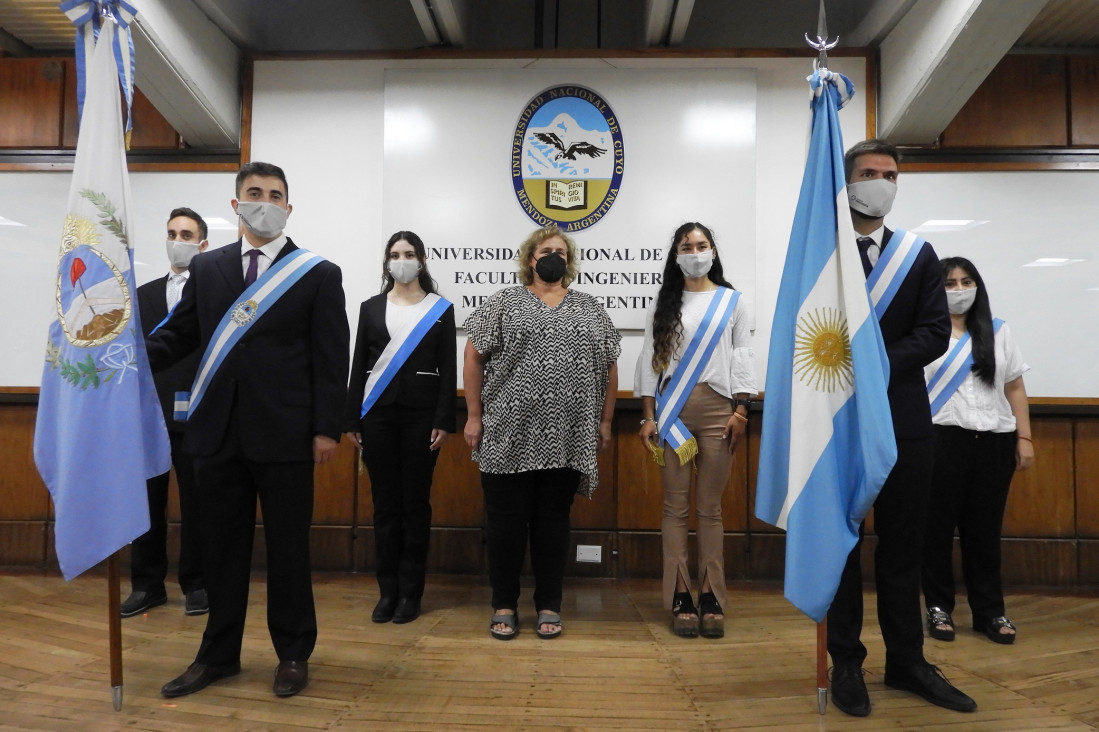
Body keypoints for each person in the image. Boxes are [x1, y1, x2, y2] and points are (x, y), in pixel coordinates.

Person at [146, 162, 349, 699]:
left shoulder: (318, 273)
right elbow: (179, 336)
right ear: (235, 205)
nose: (265, 201)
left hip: (286, 435)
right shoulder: (208, 269)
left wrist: (327, 428)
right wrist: (123, 354)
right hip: (215, 433)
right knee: (220, 549)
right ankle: (218, 655)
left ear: (289, 206)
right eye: (254, 193)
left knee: (288, 551)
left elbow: (333, 359)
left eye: (275, 194)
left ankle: (292, 653)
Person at [827, 139, 976, 716]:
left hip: (904, 419)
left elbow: (935, 333)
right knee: (844, 548)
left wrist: (874, 362)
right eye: (869, 172)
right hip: (838, 420)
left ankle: (907, 662)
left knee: (903, 547)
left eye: (890, 174)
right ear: (847, 182)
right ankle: (845, 660)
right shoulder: (824, 251)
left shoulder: (918, 254)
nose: (881, 181)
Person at [463, 225, 620, 641]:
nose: (553, 257)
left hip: (567, 436)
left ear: (569, 261)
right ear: (530, 258)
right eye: (545, 250)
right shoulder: (502, 303)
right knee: (505, 525)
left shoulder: (589, 308)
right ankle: (504, 603)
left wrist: (605, 422)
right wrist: (474, 415)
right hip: (506, 433)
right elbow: (474, 356)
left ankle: (550, 603)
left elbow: (609, 366)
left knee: (553, 524)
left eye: (561, 252)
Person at [635, 222, 755, 639]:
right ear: (676, 255)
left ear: (714, 251)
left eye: (702, 245)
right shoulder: (665, 302)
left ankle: (711, 594)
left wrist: (742, 409)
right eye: (687, 246)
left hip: (720, 409)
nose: (696, 252)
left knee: (710, 509)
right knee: (675, 508)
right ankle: (680, 594)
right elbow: (651, 357)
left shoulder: (733, 301)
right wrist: (648, 414)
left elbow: (742, 354)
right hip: (672, 411)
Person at [345, 231, 456, 625]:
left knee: (414, 504)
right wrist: (352, 418)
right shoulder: (370, 307)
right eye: (395, 254)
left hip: (422, 418)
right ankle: (387, 591)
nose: (401, 259)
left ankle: (411, 593)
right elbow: (360, 364)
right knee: (385, 506)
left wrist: (444, 419)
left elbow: (448, 370)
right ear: (386, 261)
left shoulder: (439, 308)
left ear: (422, 260)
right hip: (377, 416)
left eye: (409, 253)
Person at [922, 257, 1034, 645]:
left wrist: (1025, 437)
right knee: (936, 530)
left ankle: (990, 611)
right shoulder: (925, 331)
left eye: (966, 281)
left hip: (993, 440)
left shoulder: (998, 331)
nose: (958, 289)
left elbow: (1014, 387)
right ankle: (938, 608)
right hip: (941, 439)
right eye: (950, 283)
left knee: (984, 532)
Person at [122, 208, 209, 619]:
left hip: (199, 415)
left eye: (187, 234)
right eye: (172, 232)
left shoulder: (215, 292)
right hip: (149, 415)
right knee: (147, 504)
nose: (178, 239)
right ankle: (146, 584)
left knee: (198, 505)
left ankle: (197, 584)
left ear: (203, 244)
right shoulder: (142, 294)